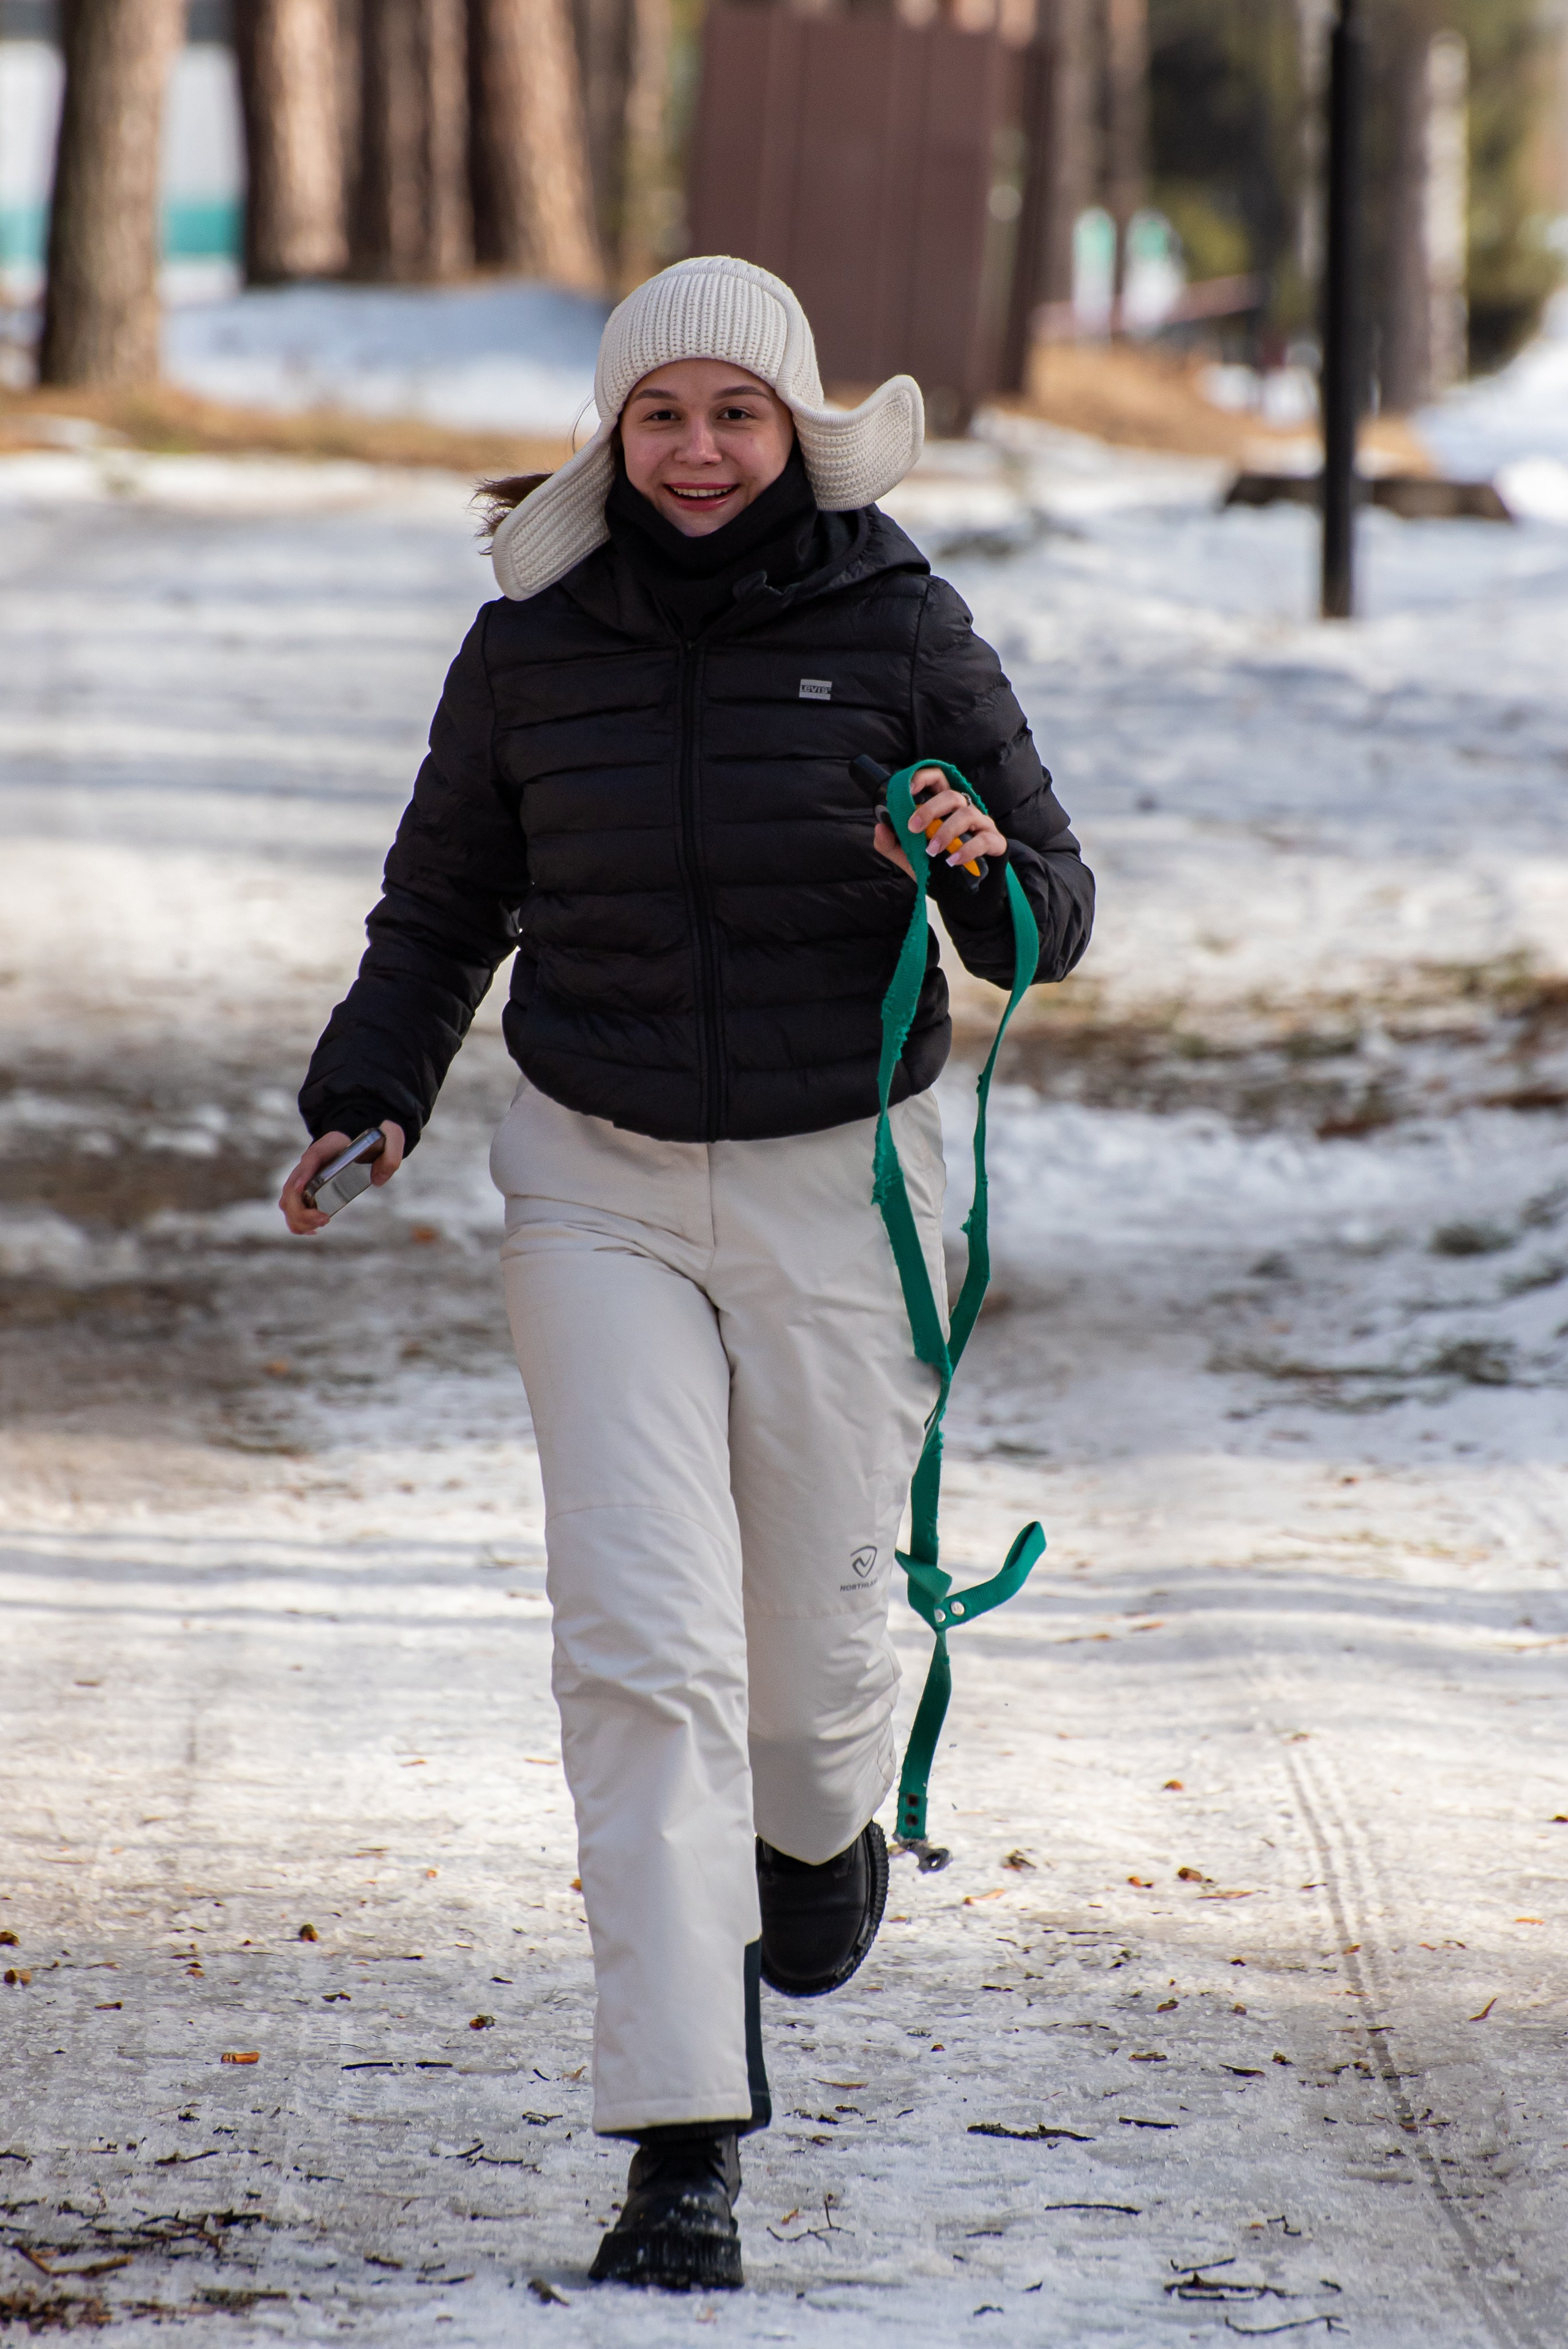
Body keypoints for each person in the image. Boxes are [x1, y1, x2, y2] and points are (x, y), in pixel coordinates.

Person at [280, 255, 1093, 2291]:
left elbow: (1050, 918)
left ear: (796, 427)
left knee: (804, 1690)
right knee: (644, 1653)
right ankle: (679, 2146)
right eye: (662, 415)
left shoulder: (902, 623)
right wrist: (370, 1091)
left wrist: (972, 865)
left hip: (840, 1186)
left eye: (738, 413)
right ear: (615, 432)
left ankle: (815, 1844)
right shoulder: (530, 645)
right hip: (600, 1181)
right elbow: (441, 905)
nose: (700, 451)